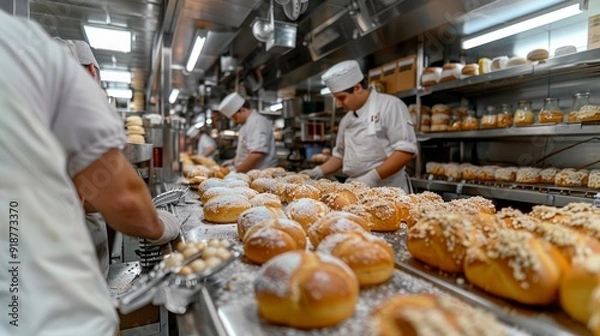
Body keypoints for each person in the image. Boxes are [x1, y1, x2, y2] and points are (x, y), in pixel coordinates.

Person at [0, 11, 179, 335]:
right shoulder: (46, 60)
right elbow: (122, 198)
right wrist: (159, 226)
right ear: (93, 71)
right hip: (49, 309)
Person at [301, 60, 418, 191]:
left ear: (357, 88)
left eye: (342, 98)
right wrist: (316, 172)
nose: (339, 104)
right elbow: (339, 156)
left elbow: (405, 151)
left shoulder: (390, 105)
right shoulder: (346, 120)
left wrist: (371, 178)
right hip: (353, 189)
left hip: (388, 189)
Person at [217, 92, 278, 172]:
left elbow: (256, 154)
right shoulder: (246, 125)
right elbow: (245, 151)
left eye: (234, 117)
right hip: (248, 173)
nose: (235, 121)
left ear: (242, 110)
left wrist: (237, 172)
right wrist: (233, 161)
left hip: (260, 174)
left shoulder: (257, 122)